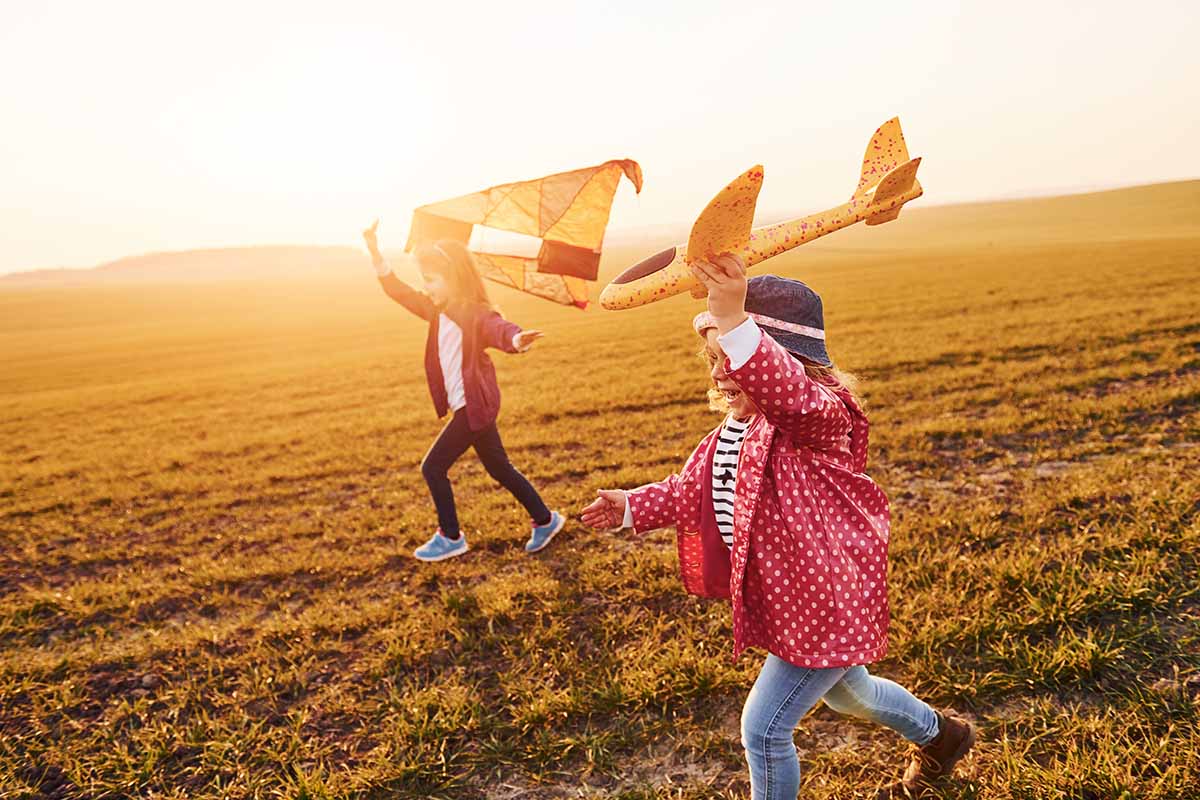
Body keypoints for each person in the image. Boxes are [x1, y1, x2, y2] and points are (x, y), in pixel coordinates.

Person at [580, 253, 975, 799]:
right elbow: (690, 490)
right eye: (712, 358)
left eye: (731, 358)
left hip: (822, 599)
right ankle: (943, 737)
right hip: (793, 600)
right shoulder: (734, 429)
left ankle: (939, 738)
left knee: (763, 730)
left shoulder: (820, 417)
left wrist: (733, 317)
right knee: (850, 695)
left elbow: (790, 395)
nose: (720, 372)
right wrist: (629, 506)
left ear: (781, 361)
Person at [362, 220, 564, 561]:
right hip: (468, 408)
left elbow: (495, 327)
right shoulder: (435, 309)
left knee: (433, 467)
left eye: (431, 280)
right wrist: (374, 252)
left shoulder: (470, 313)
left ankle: (451, 536)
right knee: (499, 468)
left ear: (452, 279)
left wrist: (516, 339)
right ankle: (546, 520)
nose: (426, 287)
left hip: (474, 407)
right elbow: (398, 291)